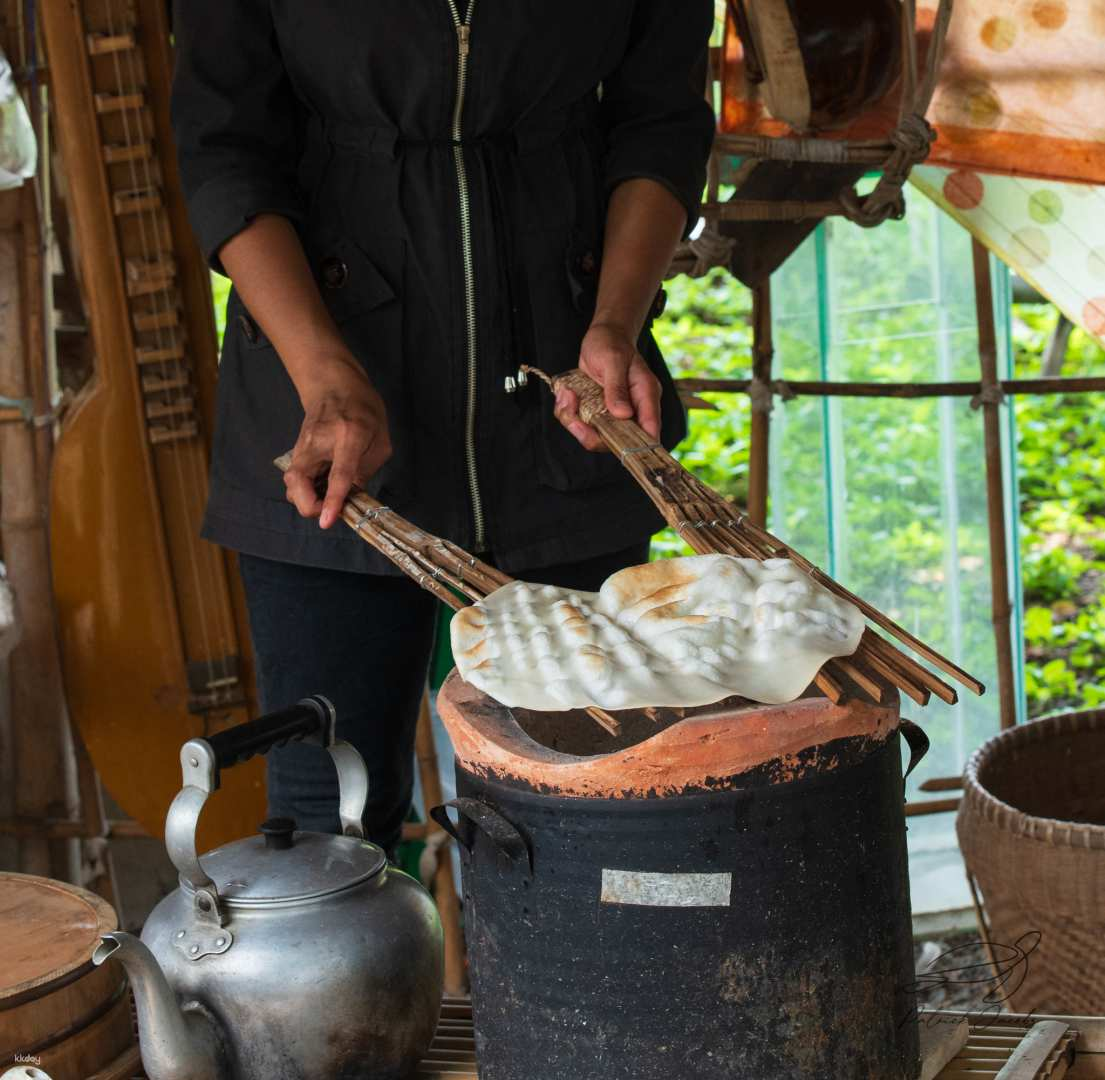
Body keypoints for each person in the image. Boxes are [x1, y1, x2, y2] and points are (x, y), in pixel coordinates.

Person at [171, 1, 716, 855]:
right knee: (330, 823)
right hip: (327, 417)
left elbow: (660, 123)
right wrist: (324, 374)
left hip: (560, 405)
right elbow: (224, 148)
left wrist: (612, 321)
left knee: (570, 812)